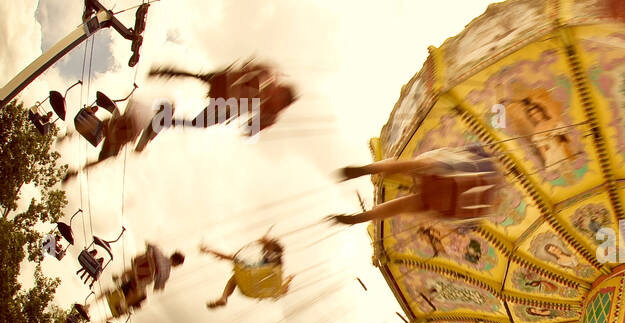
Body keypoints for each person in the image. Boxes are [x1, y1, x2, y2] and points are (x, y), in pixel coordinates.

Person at [331, 146, 502, 227]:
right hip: (451, 201)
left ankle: (368, 169)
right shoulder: (490, 197)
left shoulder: (484, 161)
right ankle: (361, 217)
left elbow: (469, 153)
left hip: (453, 177)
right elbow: (471, 218)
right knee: (405, 205)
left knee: (415, 166)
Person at [147, 61, 298, 138]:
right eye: (279, 95)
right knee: (199, 77)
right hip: (226, 87)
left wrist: (257, 126)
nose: (276, 98)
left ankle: (165, 120)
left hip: (225, 103)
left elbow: (251, 126)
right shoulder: (269, 80)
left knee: (199, 122)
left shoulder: (270, 111)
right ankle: (164, 73)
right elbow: (253, 70)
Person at [203, 237, 293, 308]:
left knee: (236, 274)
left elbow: (231, 257)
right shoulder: (269, 264)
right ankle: (223, 298)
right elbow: (281, 290)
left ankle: (224, 297)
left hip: (254, 286)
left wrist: (209, 251)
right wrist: (288, 282)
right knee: (236, 275)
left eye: (267, 249)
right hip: (254, 289)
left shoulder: (275, 263)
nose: (265, 251)